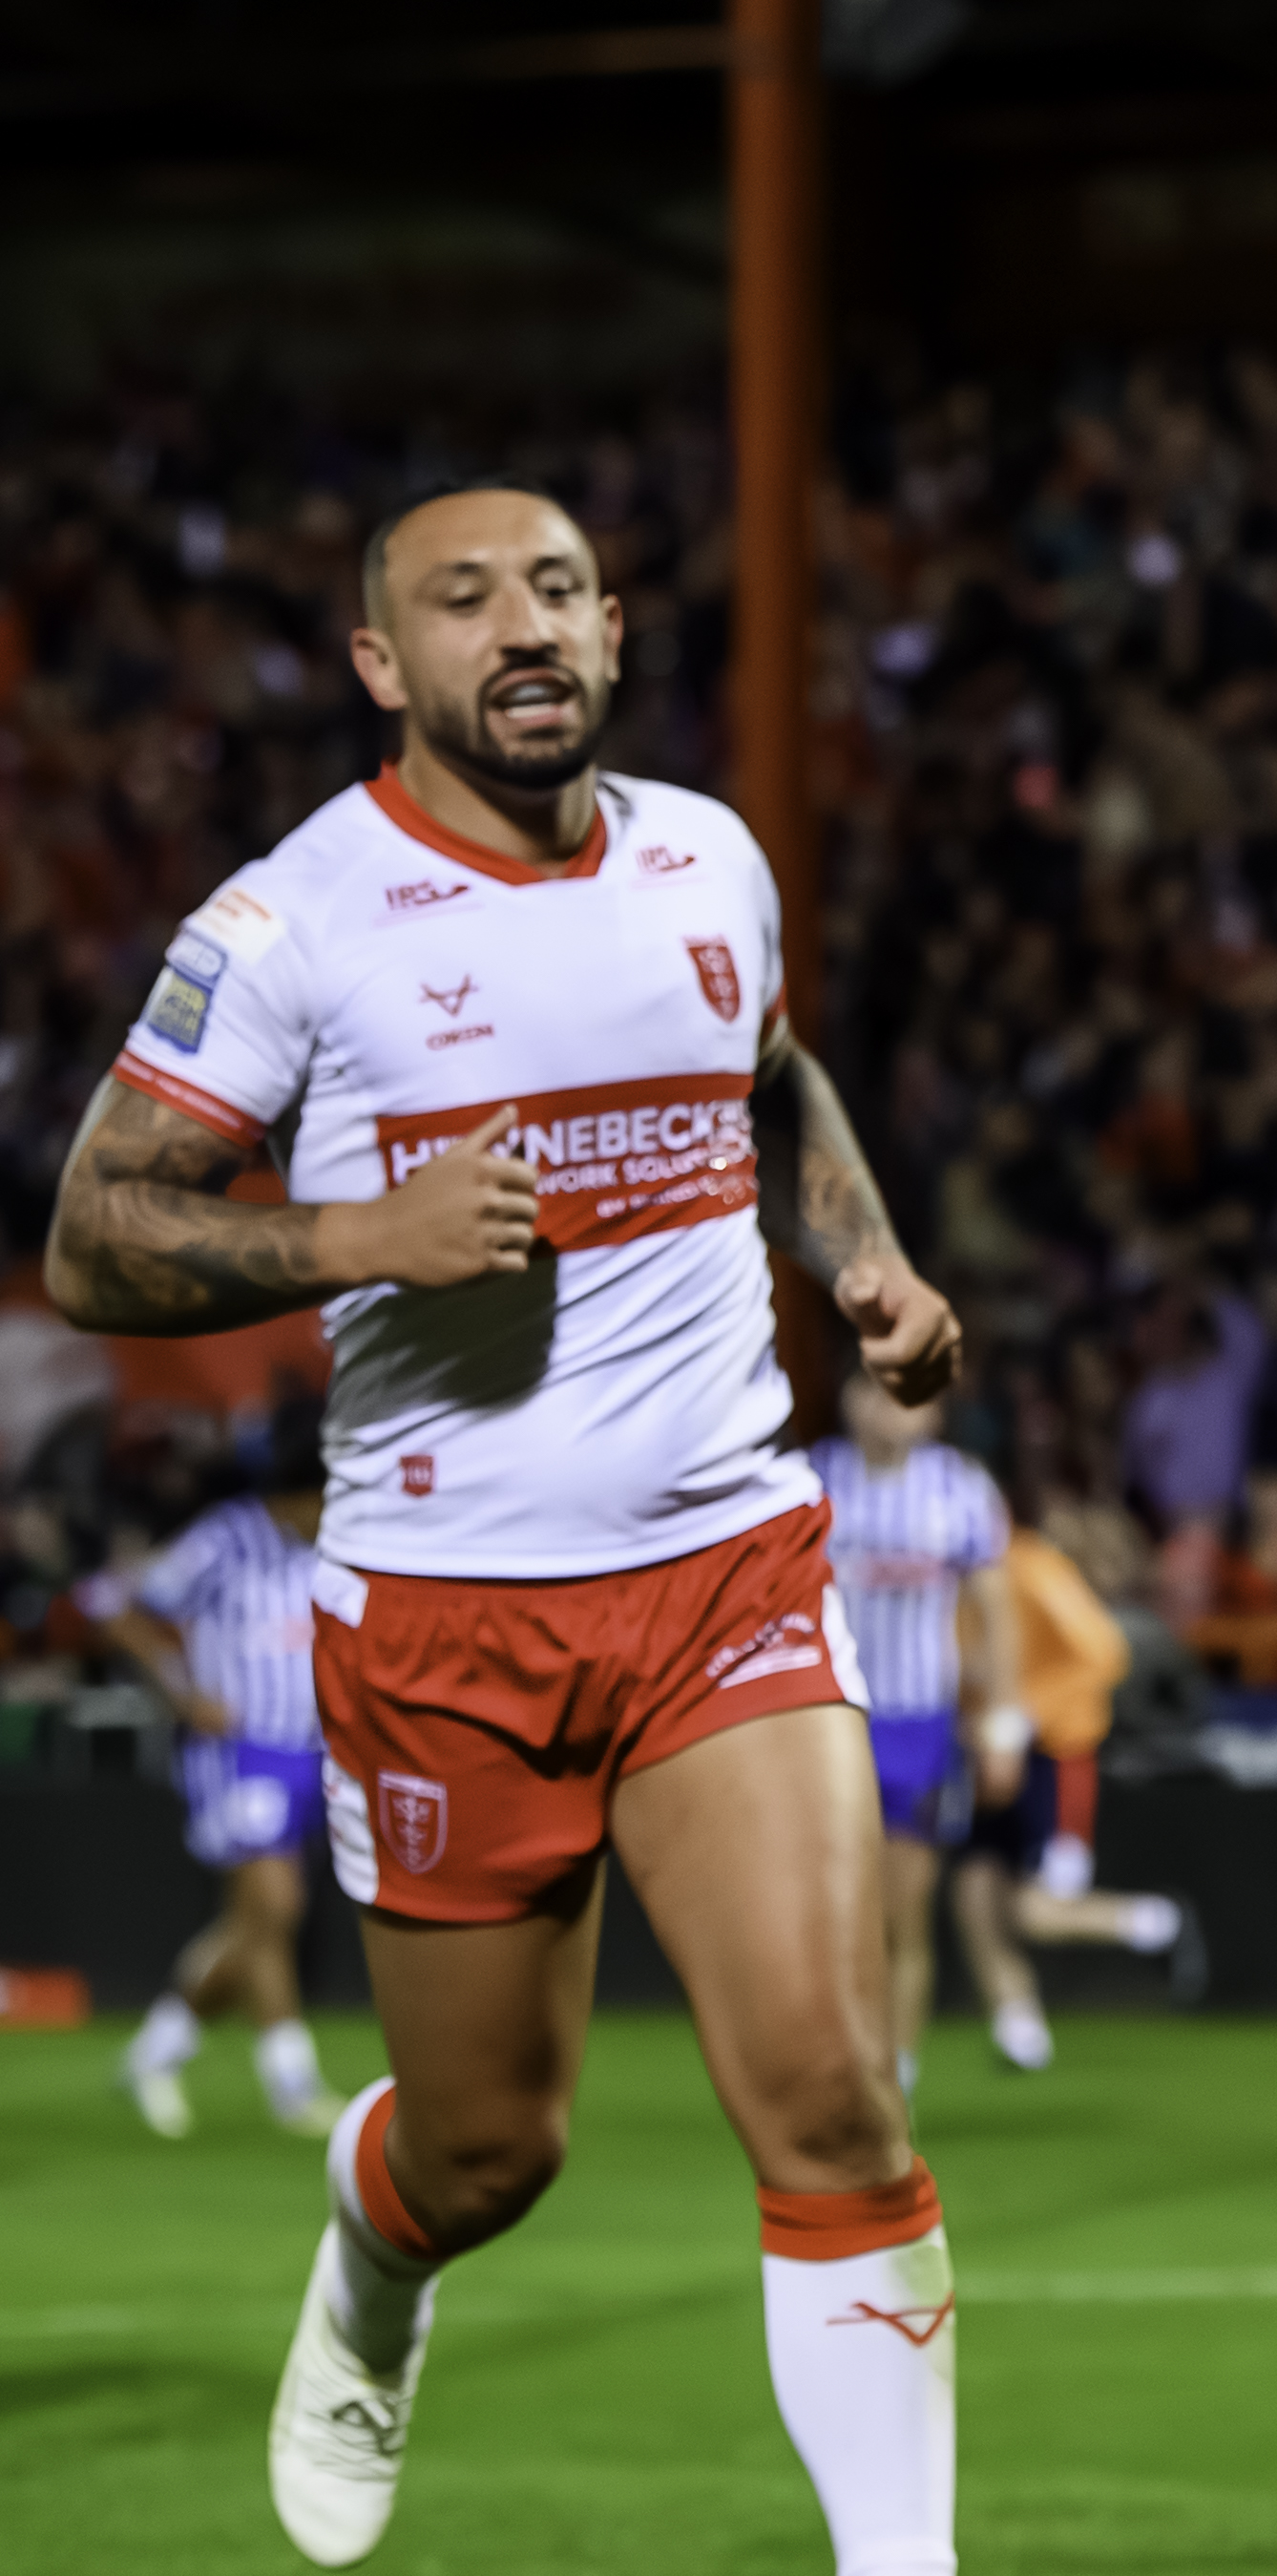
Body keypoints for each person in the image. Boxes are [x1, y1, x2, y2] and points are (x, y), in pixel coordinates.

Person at [45, 482, 971, 2570]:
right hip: (447, 1619)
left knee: (829, 2094)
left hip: (727, 1563)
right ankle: (378, 2264)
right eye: (459, 602)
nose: (519, 627)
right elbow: (96, 1234)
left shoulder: (707, 859)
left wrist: (868, 1267)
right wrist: (356, 1232)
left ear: (615, 628)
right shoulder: (296, 922)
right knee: (488, 2149)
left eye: (553, 588)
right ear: (384, 666)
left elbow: (768, 1077)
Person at [105, 1397, 341, 2139]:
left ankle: (156, 2050)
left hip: (309, 1748)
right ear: (294, 1493)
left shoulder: (328, 1545)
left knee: (254, 1919)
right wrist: (183, 1693)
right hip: (237, 1747)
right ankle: (290, 2080)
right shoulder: (224, 1539)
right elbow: (117, 1605)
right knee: (273, 1902)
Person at [817, 1372, 1016, 2099]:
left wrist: (1004, 1722)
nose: (884, 1408)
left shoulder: (959, 1490)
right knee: (838, 1909)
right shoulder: (814, 1480)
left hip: (918, 1725)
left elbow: (997, 1613)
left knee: (905, 1910)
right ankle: (843, 2055)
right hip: (831, 1720)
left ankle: (893, 2071)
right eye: (869, 1390)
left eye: (903, 1395)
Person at [945, 1513, 1195, 2072]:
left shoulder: (1029, 1567)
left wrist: (1024, 1714)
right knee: (974, 1886)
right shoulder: (935, 1579)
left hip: (1052, 1753)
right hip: (984, 1752)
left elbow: (1103, 1650)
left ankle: (1155, 1922)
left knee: (1035, 1908)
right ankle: (1018, 2023)